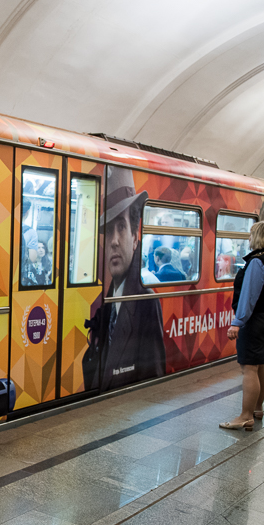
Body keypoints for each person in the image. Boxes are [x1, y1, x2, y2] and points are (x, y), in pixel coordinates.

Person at [83, 166, 166, 391]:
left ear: (135, 238)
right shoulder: (108, 304)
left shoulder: (146, 303)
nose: (114, 241)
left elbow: (154, 381)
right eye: (109, 230)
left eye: (121, 227)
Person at [220, 221, 264, 430]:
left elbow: (249, 294)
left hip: (254, 320)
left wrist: (237, 322)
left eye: (250, 235)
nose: (248, 239)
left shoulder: (257, 261)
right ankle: (257, 408)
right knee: (259, 364)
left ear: (258, 237)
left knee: (249, 367)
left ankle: (245, 416)